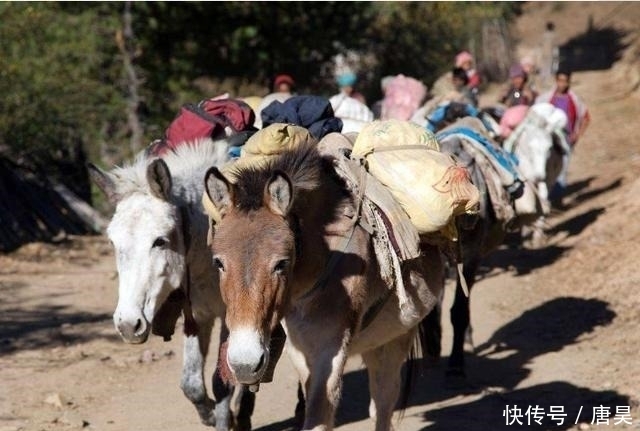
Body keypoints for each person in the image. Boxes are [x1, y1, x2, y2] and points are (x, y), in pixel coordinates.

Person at [536, 68, 591, 202]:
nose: (562, 84)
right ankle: (546, 199)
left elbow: (586, 117)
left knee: (562, 170)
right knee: (547, 169)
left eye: (565, 81)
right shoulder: (546, 98)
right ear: (556, 81)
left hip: (566, 141)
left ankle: (557, 201)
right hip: (548, 140)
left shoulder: (574, 100)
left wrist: (577, 134)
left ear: (569, 82)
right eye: (560, 81)